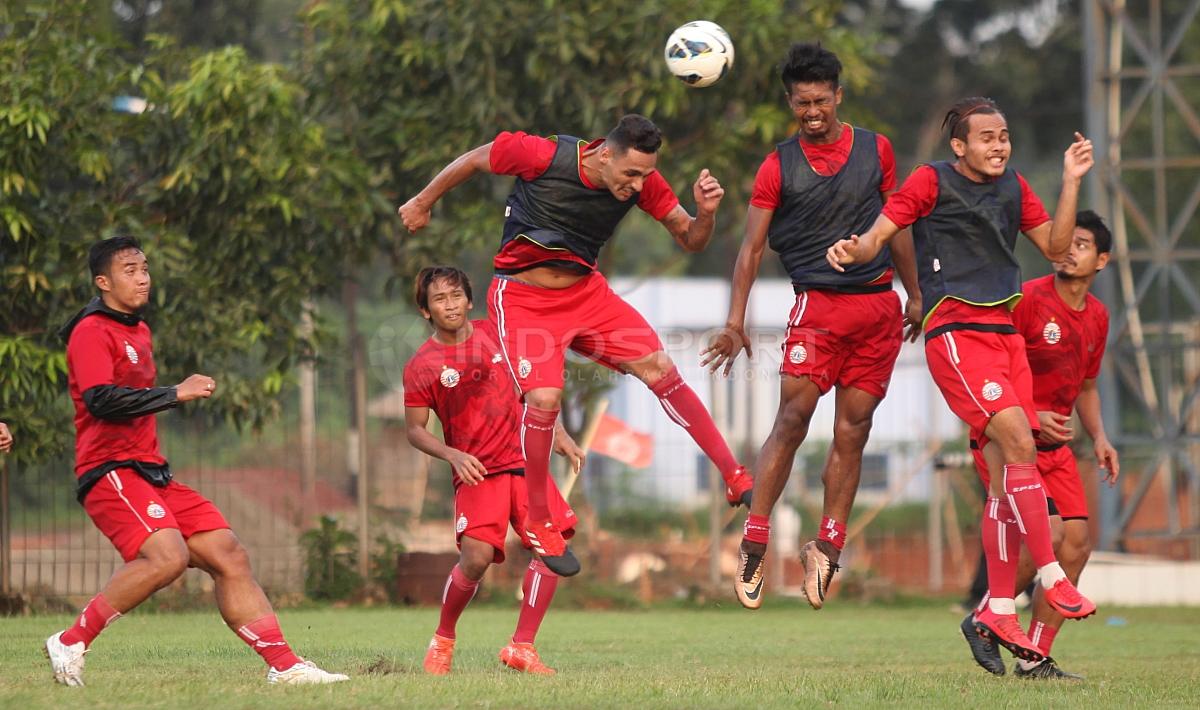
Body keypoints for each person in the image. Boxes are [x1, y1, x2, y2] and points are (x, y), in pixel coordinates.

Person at [399, 114, 753, 575]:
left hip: (586, 293)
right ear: (604, 153)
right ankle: (540, 519)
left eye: (645, 175)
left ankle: (733, 474)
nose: (637, 185)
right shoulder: (542, 155)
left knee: (660, 368)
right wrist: (423, 201)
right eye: (630, 174)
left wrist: (705, 213)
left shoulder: (644, 182)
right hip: (522, 298)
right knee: (545, 397)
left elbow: (689, 238)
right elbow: (476, 159)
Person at [827, 97, 1098, 662]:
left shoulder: (1015, 186)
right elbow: (883, 231)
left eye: (1004, 136)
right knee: (1021, 440)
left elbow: (1052, 246)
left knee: (1002, 479)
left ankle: (998, 608)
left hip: (1004, 335)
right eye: (986, 137)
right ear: (960, 146)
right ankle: (1051, 575)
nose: (999, 145)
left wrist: (1072, 181)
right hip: (955, 331)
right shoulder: (930, 181)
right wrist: (858, 249)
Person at [46, 236, 347, 687]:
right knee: (167, 558)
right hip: (110, 470)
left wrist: (169, 396)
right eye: (130, 269)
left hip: (149, 470)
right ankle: (71, 641)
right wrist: (175, 392)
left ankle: (285, 667)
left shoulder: (138, 329)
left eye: (145, 267)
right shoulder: (91, 330)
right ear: (102, 281)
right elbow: (100, 401)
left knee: (229, 553)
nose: (143, 277)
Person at [701, 42, 920, 610]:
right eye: (802, 103)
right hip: (818, 308)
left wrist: (916, 295)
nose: (813, 111)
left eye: (821, 100)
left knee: (855, 431)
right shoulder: (778, 164)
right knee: (793, 418)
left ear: (838, 95)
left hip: (878, 311)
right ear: (790, 102)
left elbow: (897, 226)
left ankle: (828, 546)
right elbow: (749, 251)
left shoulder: (878, 151)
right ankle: (754, 541)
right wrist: (734, 322)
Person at [403, 266, 585, 676]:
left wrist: (559, 433)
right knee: (476, 558)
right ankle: (443, 640)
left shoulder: (498, 334)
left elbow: (534, 389)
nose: (449, 305)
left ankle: (522, 646)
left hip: (525, 464)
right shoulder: (422, 365)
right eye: (439, 299)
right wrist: (452, 455)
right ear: (425, 311)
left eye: (456, 296)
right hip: (478, 472)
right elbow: (415, 431)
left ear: (469, 300)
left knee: (553, 549)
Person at [964, 210, 1119, 679]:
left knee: (1076, 546)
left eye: (1083, 244)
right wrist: (1032, 414)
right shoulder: (1027, 299)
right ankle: (988, 614)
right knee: (1048, 535)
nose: (1070, 249)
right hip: (1009, 441)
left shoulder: (1097, 316)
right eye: (1066, 241)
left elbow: (1087, 387)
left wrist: (1101, 437)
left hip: (1056, 450)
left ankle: (1033, 657)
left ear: (1102, 260)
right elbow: (991, 363)